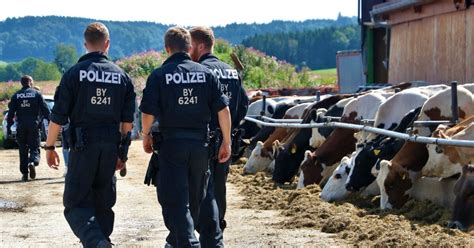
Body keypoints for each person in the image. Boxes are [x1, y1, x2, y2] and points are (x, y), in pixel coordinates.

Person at [44, 22, 136, 248]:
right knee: (103, 203)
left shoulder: (73, 74)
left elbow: (58, 116)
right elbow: (127, 123)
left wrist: (49, 147)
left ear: (85, 44)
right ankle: (102, 241)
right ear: (107, 44)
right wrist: (122, 154)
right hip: (110, 148)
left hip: (83, 147)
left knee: (75, 203)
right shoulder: (122, 76)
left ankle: (97, 242)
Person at [140, 26, 232, 248]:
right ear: (189, 47)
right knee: (195, 200)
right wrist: (226, 142)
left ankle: (189, 244)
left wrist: (146, 136)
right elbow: (224, 111)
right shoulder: (206, 74)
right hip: (201, 146)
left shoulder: (159, 75)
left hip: (172, 146)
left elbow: (147, 113)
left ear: (167, 48)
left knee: (176, 202)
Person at [190, 26, 249, 239]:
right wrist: (229, 131)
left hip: (203, 141)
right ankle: (217, 232)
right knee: (219, 187)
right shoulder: (232, 72)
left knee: (201, 189)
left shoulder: (199, 72)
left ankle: (206, 233)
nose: (188, 52)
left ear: (200, 46)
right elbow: (243, 105)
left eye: (190, 47)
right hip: (226, 140)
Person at [7, 75, 50, 181]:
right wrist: (50, 122)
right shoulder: (36, 94)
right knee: (35, 147)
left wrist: (8, 128)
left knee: (22, 149)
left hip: (21, 126)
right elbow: (45, 110)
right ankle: (32, 162)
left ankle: (25, 174)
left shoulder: (16, 95)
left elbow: (10, 113)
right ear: (30, 82)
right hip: (34, 126)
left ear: (22, 83)